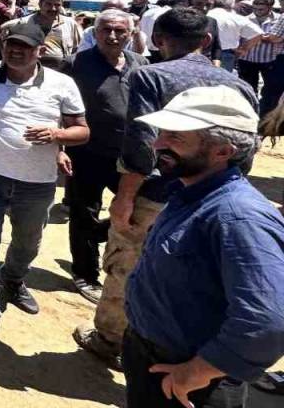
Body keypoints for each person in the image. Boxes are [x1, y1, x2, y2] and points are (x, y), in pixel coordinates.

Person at [74, 7, 258, 369]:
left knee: (126, 266)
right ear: (207, 40)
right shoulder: (240, 85)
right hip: (214, 199)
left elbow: (142, 145)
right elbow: (246, 151)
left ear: (158, 40)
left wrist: (125, 197)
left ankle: (110, 339)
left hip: (156, 196)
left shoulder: (149, 76)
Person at [121, 86, 284, 408]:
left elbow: (268, 322)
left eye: (176, 137)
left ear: (223, 151)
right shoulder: (191, 192)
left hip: (192, 384)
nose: (157, 144)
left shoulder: (238, 216)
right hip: (150, 357)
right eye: (162, 133)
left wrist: (199, 371)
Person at [0, 21, 89, 344]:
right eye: (10, 45)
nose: (15, 51)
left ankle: (13, 280)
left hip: (36, 182)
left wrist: (56, 135)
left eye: (25, 47)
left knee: (28, 242)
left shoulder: (62, 84)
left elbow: (82, 131)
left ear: (40, 50)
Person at [63, 10, 147, 303]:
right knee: (84, 212)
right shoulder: (75, 64)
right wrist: (60, 148)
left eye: (120, 31)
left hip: (130, 154)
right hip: (87, 153)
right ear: (95, 33)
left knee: (139, 208)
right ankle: (85, 274)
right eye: (106, 30)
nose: (113, 36)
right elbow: (56, 106)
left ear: (130, 34)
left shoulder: (140, 64)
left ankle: (100, 236)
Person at [8, 0, 82, 69]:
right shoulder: (24, 23)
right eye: (48, 4)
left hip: (61, 71)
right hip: (30, 70)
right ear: (40, 4)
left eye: (57, 5)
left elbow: (78, 48)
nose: (53, 8)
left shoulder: (70, 24)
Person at [206, 0, 263, 73]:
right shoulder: (236, 18)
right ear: (233, 6)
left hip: (203, 52)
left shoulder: (204, 15)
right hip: (225, 54)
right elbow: (258, 33)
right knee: (223, 79)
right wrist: (244, 49)